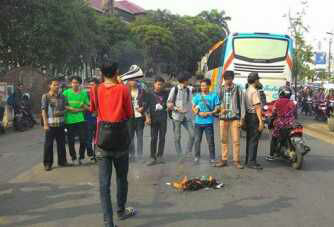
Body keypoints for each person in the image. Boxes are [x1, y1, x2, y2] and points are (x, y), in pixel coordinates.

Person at [90, 63, 136, 227]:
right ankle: (121, 211)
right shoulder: (124, 89)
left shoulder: (95, 89)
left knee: (104, 184)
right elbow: (130, 113)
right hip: (121, 141)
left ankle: (108, 223)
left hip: (102, 141)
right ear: (117, 72)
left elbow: (93, 111)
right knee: (122, 179)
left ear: (102, 73)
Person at [214, 71, 244, 169]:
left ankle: (236, 161)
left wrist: (242, 118)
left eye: (229, 78)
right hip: (223, 118)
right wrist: (220, 110)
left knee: (236, 140)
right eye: (226, 79)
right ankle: (224, 159)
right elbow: (216, 103)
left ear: (232, 79)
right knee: (223, 140)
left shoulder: (238, 89)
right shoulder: (220, 89)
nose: (227, 81)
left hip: (235, 118)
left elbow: (242, 104)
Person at [41, 79, 68, 171]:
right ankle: (48, 163)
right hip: (50, 125)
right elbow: (43, 110)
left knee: (61, 144)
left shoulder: (63, 97)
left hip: (61, 124)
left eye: (58, 85)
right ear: (50, 86)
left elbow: (66, 109)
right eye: (55, 85)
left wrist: (61, 112)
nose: (57, 87)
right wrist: (45, 124)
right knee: (48, 145)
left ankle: (62, 161)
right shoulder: (46, 96)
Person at [192, 79, 220, 165]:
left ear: (209, 86)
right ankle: (197, 157)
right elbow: (193, 107)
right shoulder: (197, 96)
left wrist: (210, 113)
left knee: (210, 141)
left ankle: (212, 158)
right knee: (197, 141)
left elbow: (217, 107)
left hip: (208, 123)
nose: (202, 87)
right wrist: (199, 112)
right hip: (198, 123)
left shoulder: (214, 95)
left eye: (204, 85)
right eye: (201, 86)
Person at [167, 73, 195, 159]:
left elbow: (192, 101)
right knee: (177, 137)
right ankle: (179, 155)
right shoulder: (174, 90)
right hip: (177, 117)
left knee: (193, 134)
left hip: (187, 117)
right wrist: (178, 109)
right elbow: (169, 103)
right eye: (187, 80)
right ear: (184, 81)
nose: (188, 82)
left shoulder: (188, 90)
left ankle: (188, 152)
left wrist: (196, 108)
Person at [63, 76, 90, 165]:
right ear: (71, 84)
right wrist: (69, 108)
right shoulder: (66, 93)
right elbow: (62, 104)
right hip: (69, 120)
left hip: (80, 119)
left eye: (76, 82)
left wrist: (80, 109)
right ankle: (73, 158)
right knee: (71, 140)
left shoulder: (84, 93)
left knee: (83, 139)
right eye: (73, 82)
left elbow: (87, 106)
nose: (75, 84)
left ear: (79, 84)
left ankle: (81, 157)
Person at [266, 88, 296, 161]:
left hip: (280, 124)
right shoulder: (292, 103)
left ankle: (271, 155)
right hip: (291, 123)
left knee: (274, 138)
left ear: (281, 94)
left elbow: (274, 112)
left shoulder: (278, 102)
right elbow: (295, 112)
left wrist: (272, 116)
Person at [145, 77, 169, 166]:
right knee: (153, 138)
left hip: (163, 118)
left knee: (162, 138)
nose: (160, 86)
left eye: (161, 84)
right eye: (158, 84)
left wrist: (169, 106)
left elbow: (170, 102)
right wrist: (147, 118)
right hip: (153, 119)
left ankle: (160, 156)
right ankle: (152, 157)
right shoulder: (149, 94)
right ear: (154, 84)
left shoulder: (166, 93)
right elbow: (146, 107)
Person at [244, 72, 264, 170]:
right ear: (255, 80)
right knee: (254, 140)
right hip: (253, 117)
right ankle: (251, 162)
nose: (258, 81)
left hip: (248, 116)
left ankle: (248, 160)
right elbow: (257, 107)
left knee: (249, 139)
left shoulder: (247, 90)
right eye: (258, 79)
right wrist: (261, 121)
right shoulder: (254, 91)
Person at [127, 79, 147, 162]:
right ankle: (132, 155)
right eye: (131, 80)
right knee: (130, 137)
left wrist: (143, 107)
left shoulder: (142, 91)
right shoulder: (126, 92)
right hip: (130, 118)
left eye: (134, 80)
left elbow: (146, 102)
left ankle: (140, 155)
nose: (133, 82)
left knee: (140, 137)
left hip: (140, 117)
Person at [85, 78, 100, 160]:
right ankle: (90, 151)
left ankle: (96, 155)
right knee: (88, 138)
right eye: (90, 85)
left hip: (98, 119)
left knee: (97, 138)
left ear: (97, 85)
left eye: (93, 84)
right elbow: (84, 105)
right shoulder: (86, 94)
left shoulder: (101, 94)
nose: (91, 86)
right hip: (89, 119)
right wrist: (91, 109)